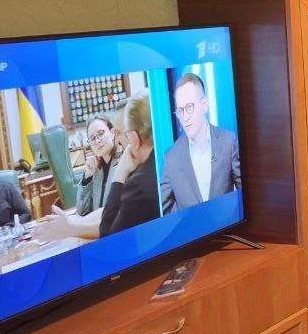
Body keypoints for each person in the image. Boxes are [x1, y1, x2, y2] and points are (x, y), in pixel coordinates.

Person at [160, 72, 241, 214]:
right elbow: (164, 212)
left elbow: (245, 196)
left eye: (189, 107)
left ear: (204, 105)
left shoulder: (228, 142)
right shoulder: (171, 158)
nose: (185, 117)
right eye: (180, 110)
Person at [99, 91, 160, 236]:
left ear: (134, 137)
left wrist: (120, 173)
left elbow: (107, 235)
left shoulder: (138, 183)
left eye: (120, 132)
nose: (117, 140)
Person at [74, 114, 120, 216]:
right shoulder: (96, 169)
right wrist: (87, 178)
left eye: (101, 134)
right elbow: (82, 211)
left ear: (112, 133)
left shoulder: (123, 162)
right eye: (92, 138)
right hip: (97, 224)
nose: (97, 141)